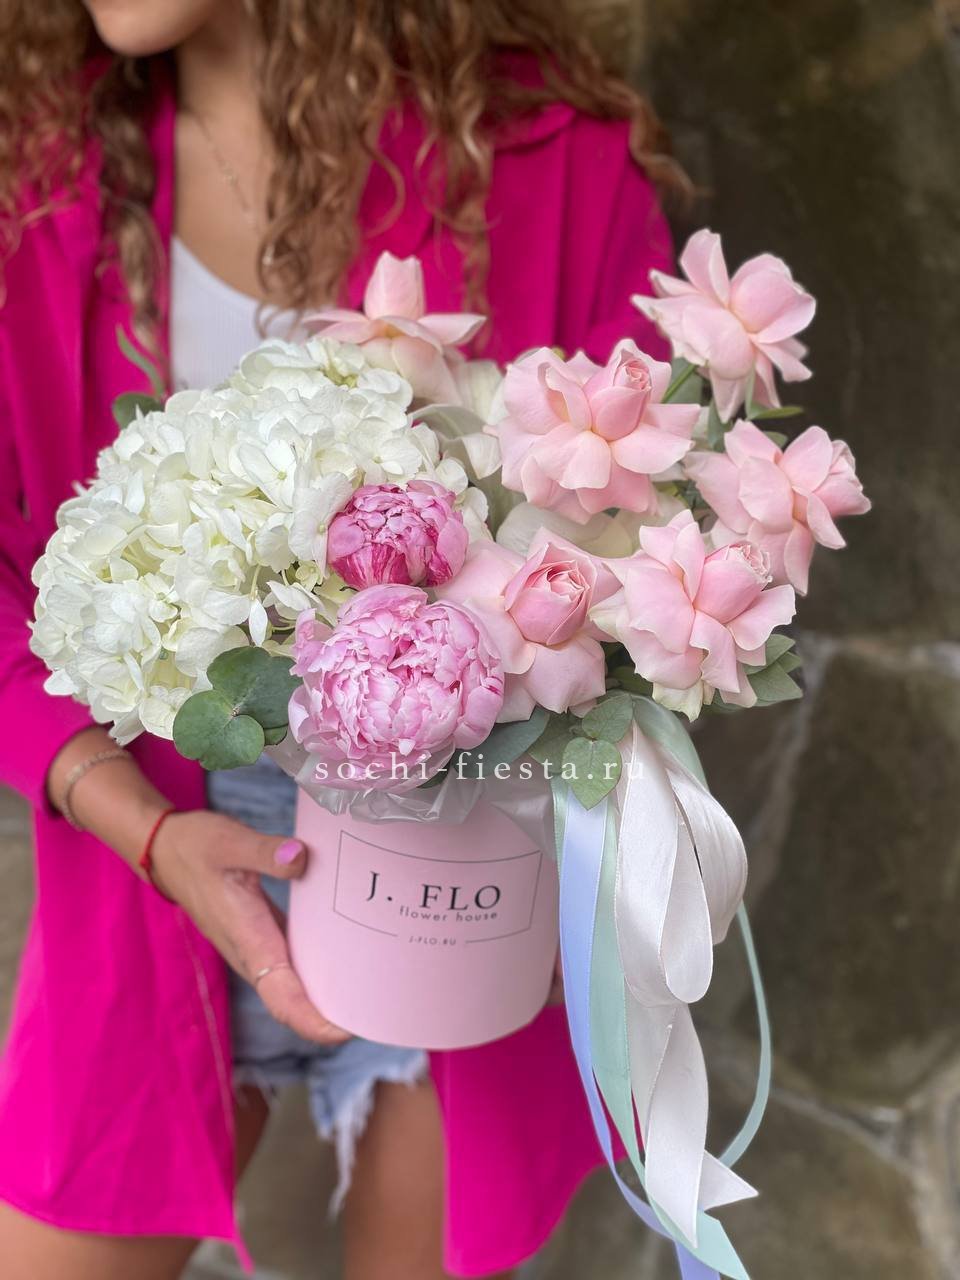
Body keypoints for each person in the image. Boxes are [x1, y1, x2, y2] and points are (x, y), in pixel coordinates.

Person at [0, 2, 682, 1277]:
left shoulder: (548, 156)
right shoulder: (30, 182)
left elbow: (657, 541)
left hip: (470, 862)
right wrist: (136, 824)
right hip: (157, 862)